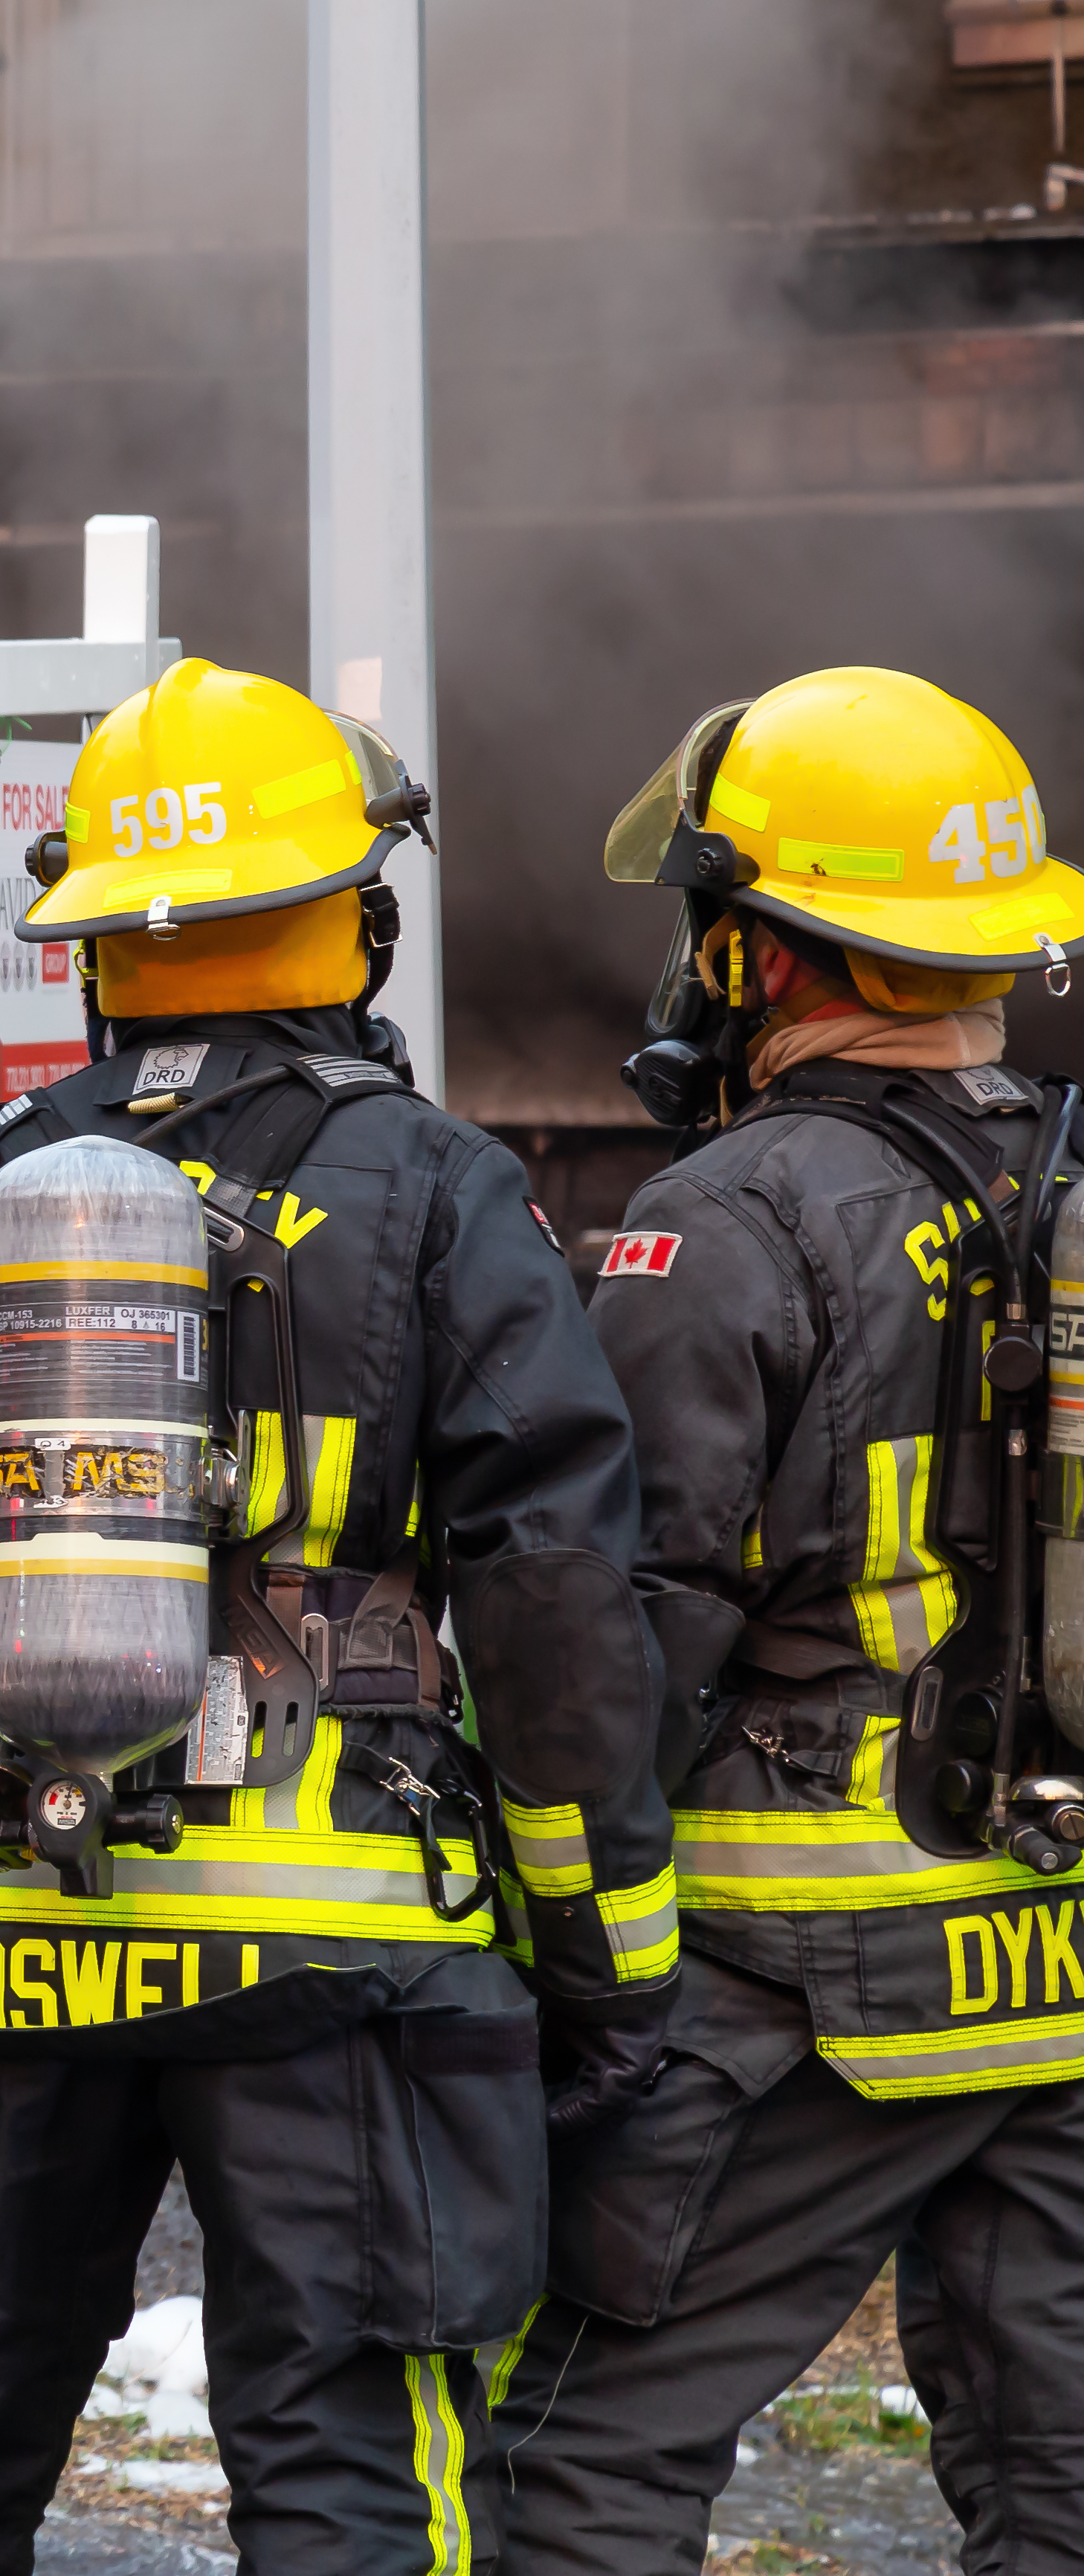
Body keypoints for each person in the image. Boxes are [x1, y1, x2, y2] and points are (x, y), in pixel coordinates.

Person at [0, 657, 673, 2575]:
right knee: (348, 2478)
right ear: (352, 922)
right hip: (329, 1953)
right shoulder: (438, 1195)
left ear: (97, 943)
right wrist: (603, 1958)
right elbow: (555, 1601)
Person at [495, 667, 1084, 2575]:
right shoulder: (1073, 1193)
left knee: (579, 2462)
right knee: (1060, 2489)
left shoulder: (724, 1220)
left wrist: (558, 1951)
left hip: (800, 1996)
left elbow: (618, 1636)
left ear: (757, 950)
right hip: (1052, 1963)